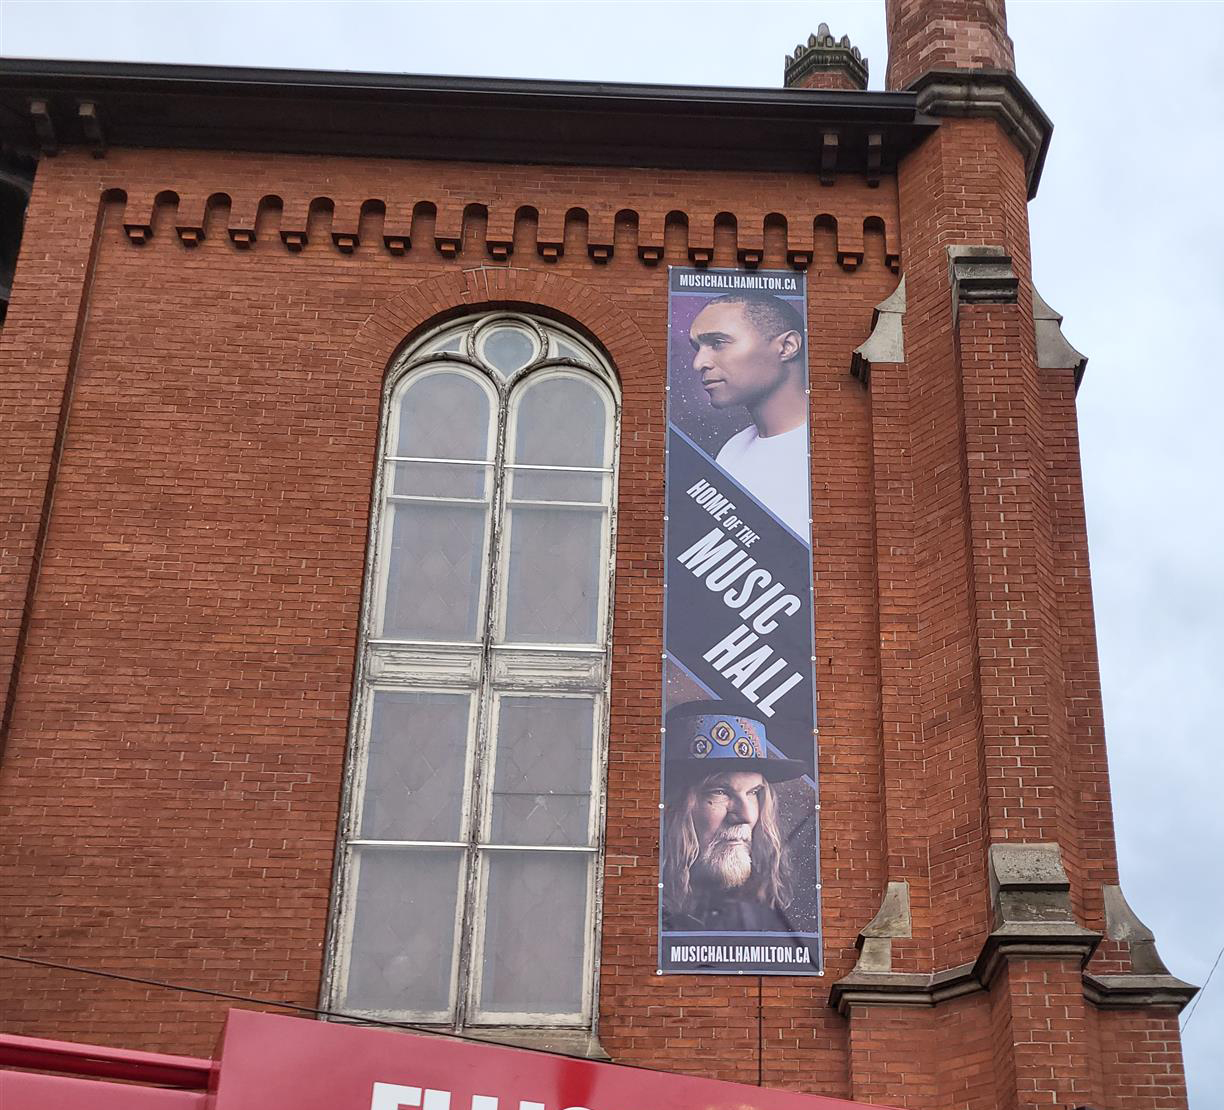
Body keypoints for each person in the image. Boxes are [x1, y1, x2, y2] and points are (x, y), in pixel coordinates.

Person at [661, 700, 807, 934]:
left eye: (753, 793)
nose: (747, 815)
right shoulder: (640, 906)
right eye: (720, 792)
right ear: (673, 804)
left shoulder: (767, 916)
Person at [688, 291, 810, 537]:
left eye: (718, 343)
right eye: (697, 347)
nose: (699, 363)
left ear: (787, 347)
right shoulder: (734, 448)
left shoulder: (829, 447)